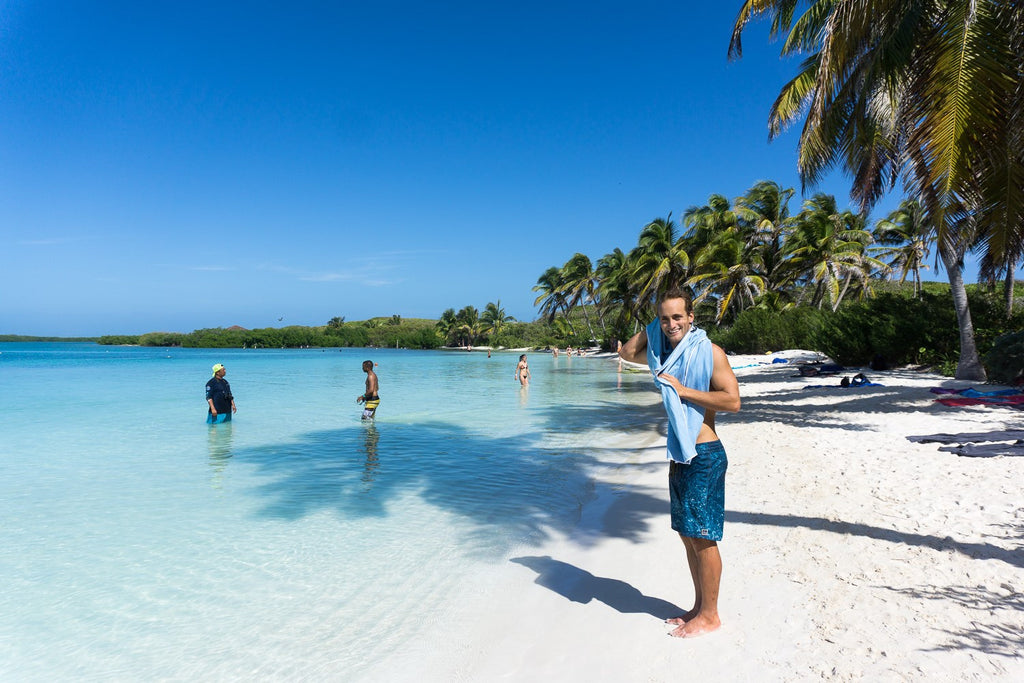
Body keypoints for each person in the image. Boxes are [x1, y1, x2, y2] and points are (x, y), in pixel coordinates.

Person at [619, 288, 740, 638]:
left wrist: (684, 391)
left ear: (691, 317)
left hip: (705, 454)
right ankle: (699, 608)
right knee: (688, 535)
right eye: (665, 318)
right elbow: (627, 352)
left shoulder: (709, 352)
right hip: (681, 453)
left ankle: (711, 615)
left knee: (703, 538)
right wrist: (652, 327)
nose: (672, 324)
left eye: (677, 317)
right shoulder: (662, 355)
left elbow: (732, 401)